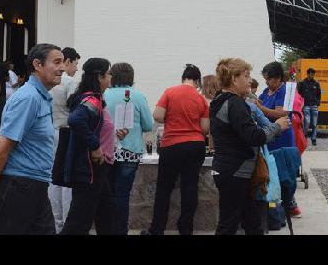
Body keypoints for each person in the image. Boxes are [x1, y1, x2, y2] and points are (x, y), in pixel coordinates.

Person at [0, 44, 63, 235]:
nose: (62, 68)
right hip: (20, 187)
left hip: (34, 186)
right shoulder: (28, 98)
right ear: (38, 65)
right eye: (57, 62)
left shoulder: (40, 97)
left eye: (62, 62)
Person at [209, 58, 290, 235]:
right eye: (246, 76)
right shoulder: (235, 103)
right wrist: (277, 127)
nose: (249, 80)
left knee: (252, 222)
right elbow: (254, 136)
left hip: (232, 171)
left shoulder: (219, 100)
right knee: (229, 225)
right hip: (234, 172)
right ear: (233, 79)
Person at [143, 64, 209, 235]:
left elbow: (157, 115)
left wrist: (172, 119)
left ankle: (157, 229)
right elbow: (205, 128)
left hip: (172, 145)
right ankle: (186, 229)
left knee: (164, 188)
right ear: (197, 81)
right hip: (196, 145)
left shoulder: (170, 92)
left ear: (183, 79)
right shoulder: (201, 99)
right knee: (190, 187)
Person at [59, 58, 118, 234]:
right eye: (108, 74)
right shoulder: (91, 100)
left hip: (98, 167)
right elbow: (76, 120)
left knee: (107, 213)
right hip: (90, 168)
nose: (110, 77)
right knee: (79, 221)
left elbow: (96, 126)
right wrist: (95, 145)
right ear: (99, 77)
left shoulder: (96, 99)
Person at [103, 62, 154, 235]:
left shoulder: (104, 94)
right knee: (122, 194)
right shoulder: (138, 96)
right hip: (130, 151)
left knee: (107, 194)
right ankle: (121, 231)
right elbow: (148, 125)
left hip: (107, 150)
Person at [254, 61, 299, 217]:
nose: (267, 82)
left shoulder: (286, 90)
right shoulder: (267, 91)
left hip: (283, 137)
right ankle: (276, 206)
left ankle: (290, 203)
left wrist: (260, 108)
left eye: (269, 79)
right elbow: (259, 104)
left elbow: (282, 114)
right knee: (272, 171)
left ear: (278, 78)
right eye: (265, 79)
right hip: (270, 136)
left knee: (285, 171)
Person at [48, 46, 80, 233]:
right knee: (67, 180)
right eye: (75, 63)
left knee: (52, 178)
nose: (76, 68)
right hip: (65, 133)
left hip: (48, 132)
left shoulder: (46, 82)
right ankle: (67, 222)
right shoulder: (69, 82)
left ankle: (55, 222)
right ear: (67, 62)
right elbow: (75, 110)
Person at [296, 67, 321, 146]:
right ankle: (305, 136)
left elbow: (319, 94)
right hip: (306, 105)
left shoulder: (316, 83)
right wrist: (301, 103)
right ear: (308, 74)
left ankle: (313, 139)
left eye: (313, 74)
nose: (312, 75)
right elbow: (299, 94)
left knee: (314, 123)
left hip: (314, 105)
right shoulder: (302, 83)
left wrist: (317, 102)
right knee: (307, 122)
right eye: (311, 74)